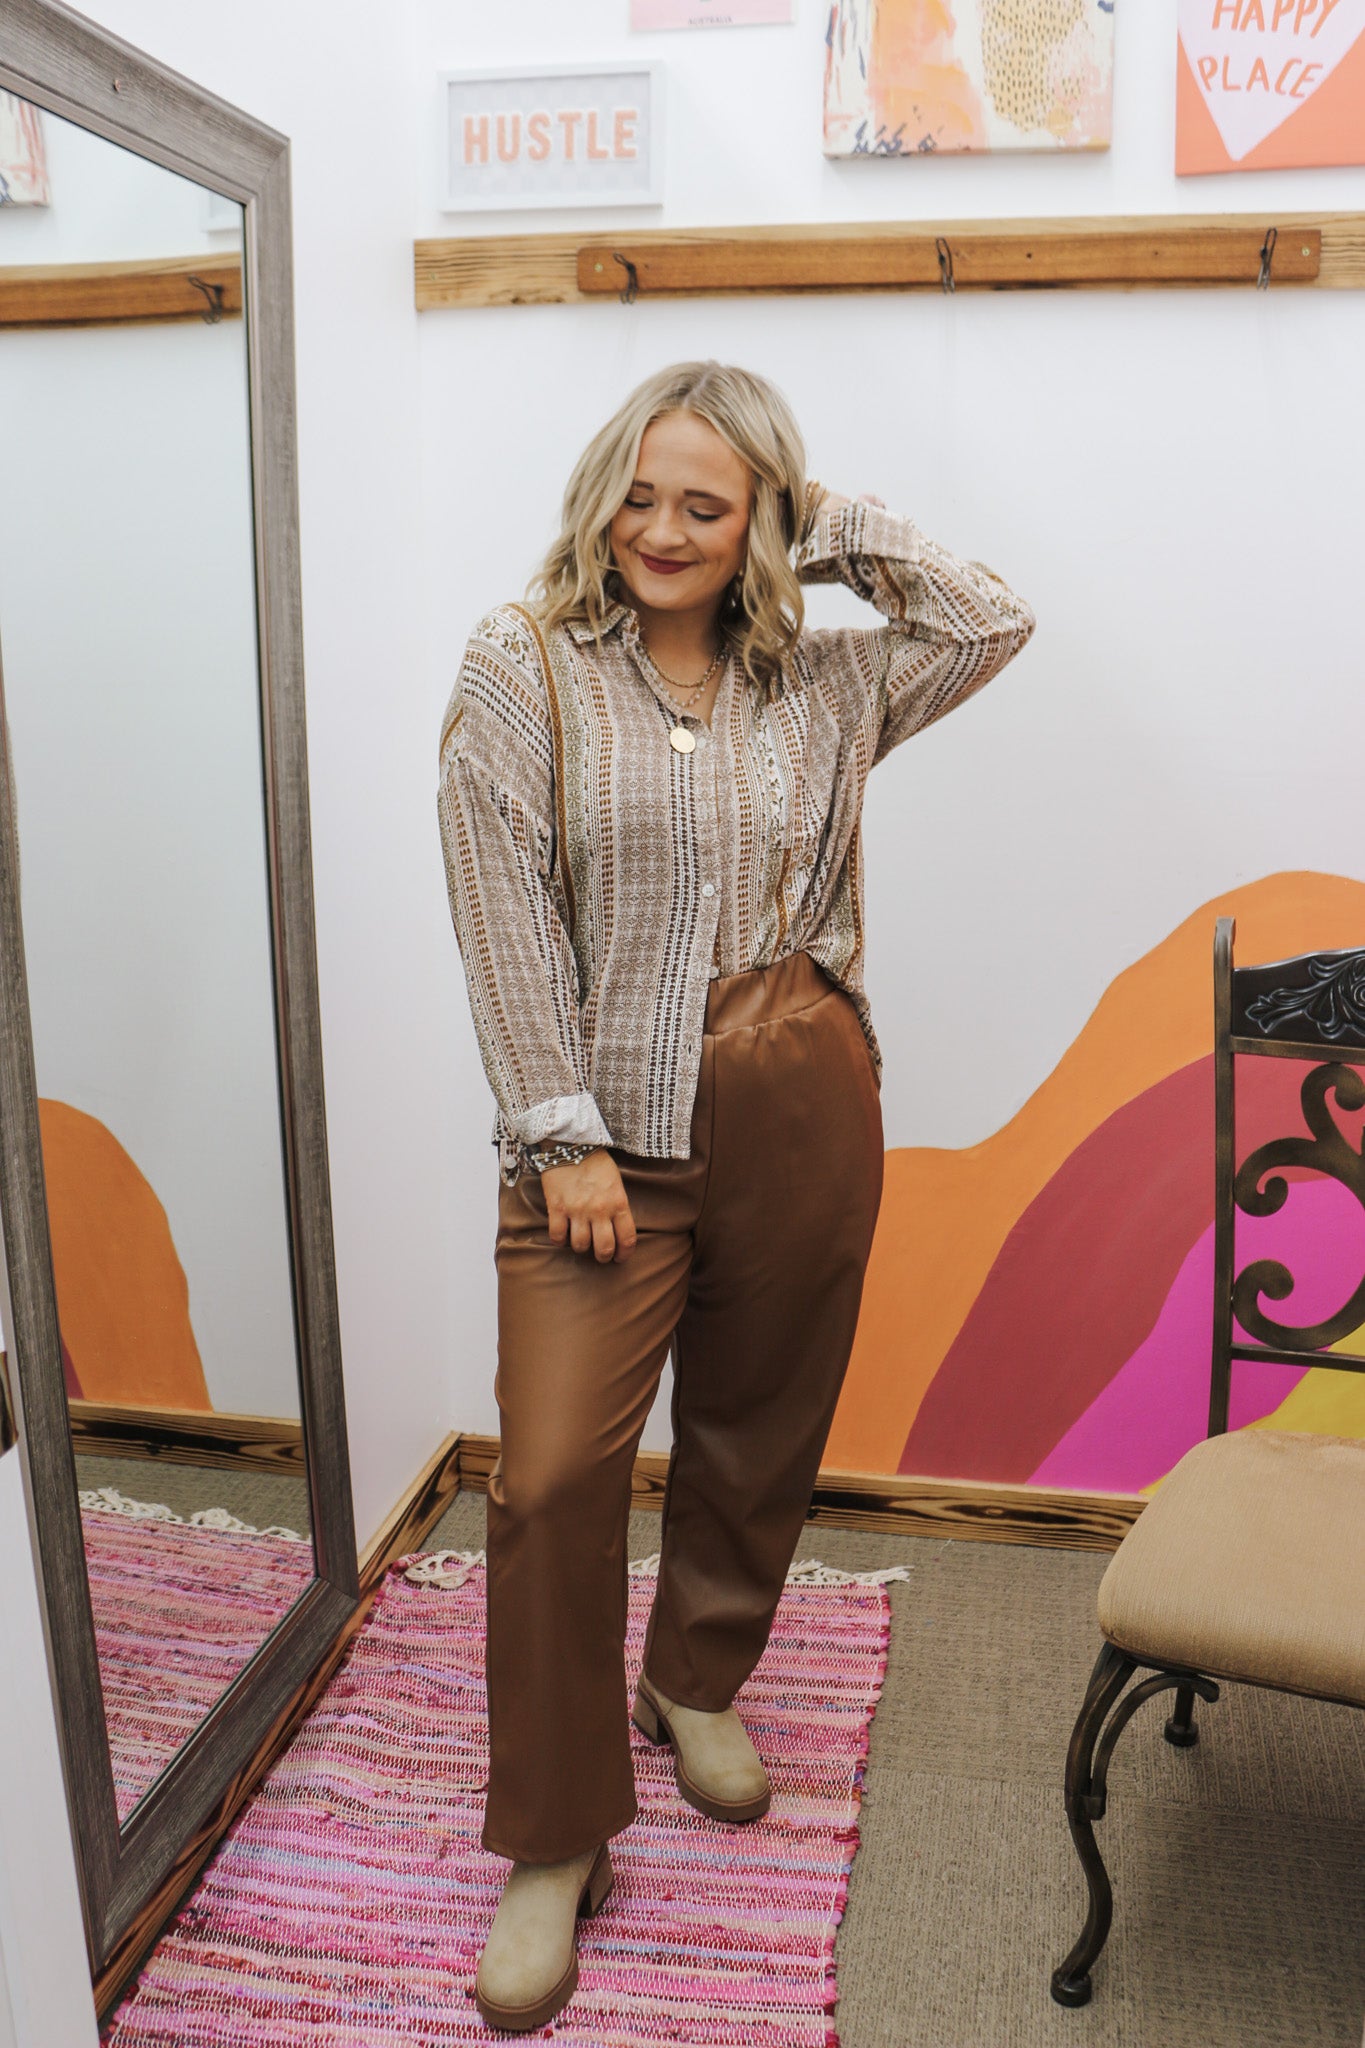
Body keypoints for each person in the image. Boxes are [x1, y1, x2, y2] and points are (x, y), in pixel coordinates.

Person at [437, 360, 1034, 2032]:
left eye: (707, 503)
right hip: (600, 1133)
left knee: (758, 1427)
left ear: (760, 515)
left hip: (800, 1092)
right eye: (638, 494)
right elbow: (497, 900)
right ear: (596, 496)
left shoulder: (826, 679)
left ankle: (691, 1680)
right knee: (552, 1479)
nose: (661, 530)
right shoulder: (523, 662)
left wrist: (822, 521)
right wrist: (557, 1134)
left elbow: (990, 619)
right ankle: (554, 1836)